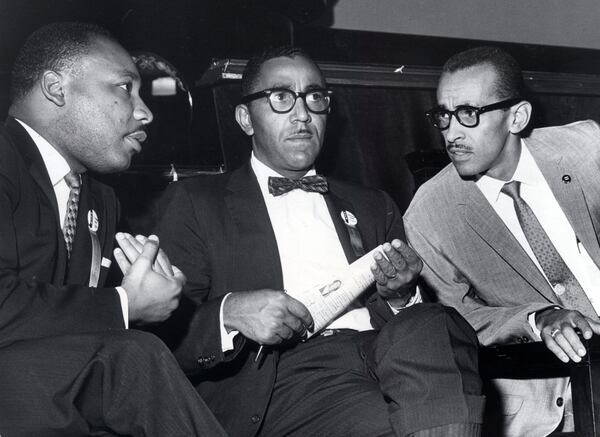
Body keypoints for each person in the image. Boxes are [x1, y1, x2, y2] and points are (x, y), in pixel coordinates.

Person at [155, 46, 485, 437]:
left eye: (315, 97)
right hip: (286, 376)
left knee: (435, 321)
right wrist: (229, 313)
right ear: (245, 118)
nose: (302, 114)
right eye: (281, 98)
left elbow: (413, 330)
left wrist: (402, 295)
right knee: (399, 422)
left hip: (389, 353)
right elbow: (160, 338)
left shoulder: (373, 204)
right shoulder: (195, 203)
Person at [0, 22, 227, 436]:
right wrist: (124, 305)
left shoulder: (101, 199)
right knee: (131, 357)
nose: (145, 112)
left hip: (48, 394)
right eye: (125, 87)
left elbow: (69, 323)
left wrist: (149, 300)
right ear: (56, 88)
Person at [404, 46, 600, 436]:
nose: (451, 133)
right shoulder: (428, 213)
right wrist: (536, 317)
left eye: (468, 114)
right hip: (551, 398)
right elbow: (456, 320)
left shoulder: (587, 149)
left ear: (517, 117)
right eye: (443, 115)